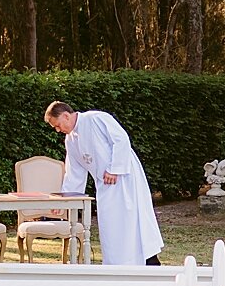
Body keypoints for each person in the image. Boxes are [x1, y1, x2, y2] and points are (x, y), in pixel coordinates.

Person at [44, 101, 165, 266]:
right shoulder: (70, 140)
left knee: (132, 222)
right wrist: (64, 200)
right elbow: (74, 173)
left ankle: (148, 262)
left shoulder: (95, 118)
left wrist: (115, 168)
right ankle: (117, 266)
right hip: (105, 186)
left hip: (125, 178)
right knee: (111, 227)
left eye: (58, 125)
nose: (58, 130)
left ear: (66, 115)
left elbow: (121, 139)